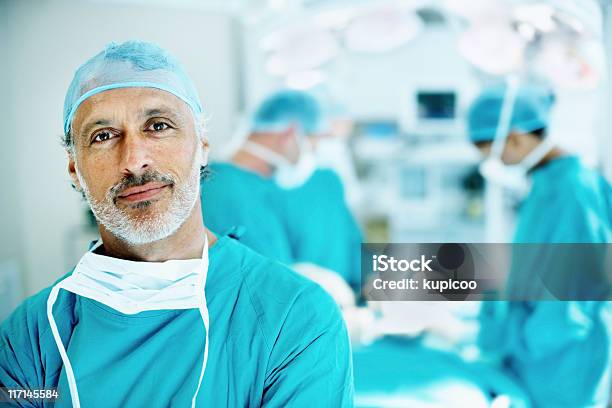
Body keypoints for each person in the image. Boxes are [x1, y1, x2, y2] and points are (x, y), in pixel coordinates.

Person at [0, 41, 353, 407]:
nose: (135, 160)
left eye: (158, 126)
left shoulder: (295, 318)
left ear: (201, 145)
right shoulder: (30, 337)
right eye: (103, 136)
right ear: (75, 169)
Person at [467, 82, 612, 407]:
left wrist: (509, 340)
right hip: (539, 356)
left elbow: (569, 306)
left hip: (563, 366)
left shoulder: (573, 192)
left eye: (493, 153)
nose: (498, 164)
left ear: (516, 138)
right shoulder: (546, 186)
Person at [201, 90, 363, 289]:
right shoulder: (225, 188)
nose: (314, 153)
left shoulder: (262, 186)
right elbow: (264, 282)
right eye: (313, 143)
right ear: (290, 134)